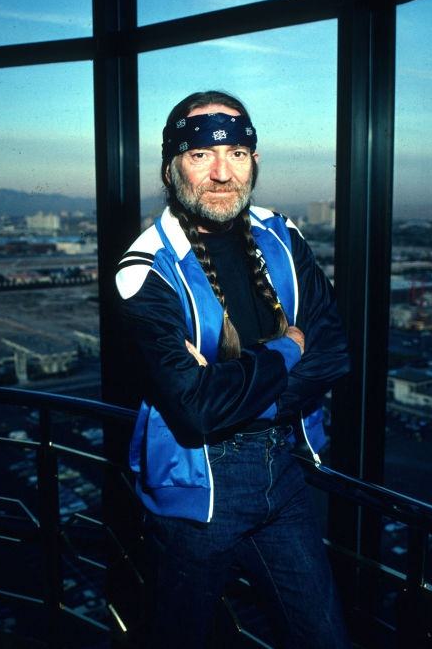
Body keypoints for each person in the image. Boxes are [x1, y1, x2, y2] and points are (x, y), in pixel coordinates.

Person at [115, 90, 351, 648]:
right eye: (200, 156)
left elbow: (335, 351)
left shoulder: (282, 237)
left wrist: (235, 386)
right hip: (198, 491)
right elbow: (195, 410)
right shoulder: (146, 270)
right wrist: (288, 351)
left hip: (285, 471)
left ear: (255, 161)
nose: (222, 172)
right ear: (171, 169)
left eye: (237, 154)